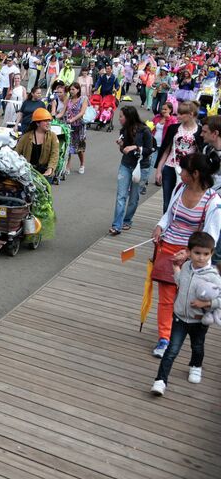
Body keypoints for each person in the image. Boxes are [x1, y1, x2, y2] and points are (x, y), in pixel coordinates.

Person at [151, 153, 221, 358]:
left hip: (193, 256)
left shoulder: (213, 201)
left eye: (183, 170)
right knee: (166, 297)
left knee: (186, 298)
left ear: (196, 174)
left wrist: (190, 254)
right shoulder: (180, 188)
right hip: (169, 249)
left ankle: (188, 336)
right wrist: (159, 226)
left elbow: (210, 238)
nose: (179, 173)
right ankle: (165, 337)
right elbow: (169, 214)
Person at [150, 231, 221, 396]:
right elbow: (181, 283)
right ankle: (160, 381)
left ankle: (196, 366)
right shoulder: (187, 267)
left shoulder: (213, 277)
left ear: (211, 253)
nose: (201, 258)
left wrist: (207, 303)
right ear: (189, 252)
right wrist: (176, 270)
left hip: (199, 320)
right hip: (180, 317)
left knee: (197, 346)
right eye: (197, 253)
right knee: (172, 350)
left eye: (205, 254)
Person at [109, 106, 152, 235]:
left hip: (140, 166)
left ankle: (127, 220)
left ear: (128, 117)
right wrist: (122, 146)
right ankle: (117, 225)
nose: (119, 119)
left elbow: (149, 149)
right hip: (126, 164)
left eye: (121, 116)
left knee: (133, 197)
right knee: (121, 196)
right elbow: (124, 151)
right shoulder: (123, 130)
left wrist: (135, 147)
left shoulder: (144, 130)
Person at [155, 101, 203, 212]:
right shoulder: (173, 128)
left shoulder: (200, 131)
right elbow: (166, 150)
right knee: (167, 201)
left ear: (191, 114)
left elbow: (199, 153)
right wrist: (158, 170)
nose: (179, 116)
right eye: (178, 113)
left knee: (183, 200)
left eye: (182, 114)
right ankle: (165, 226)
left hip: (188, 171)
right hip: (170, 167)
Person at [16, 108, 60, 180]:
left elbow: (54, 154)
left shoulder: (53, 136)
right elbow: (16, 153)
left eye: (49, 120)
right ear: (37, 123)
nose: (48, 123)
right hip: (28, 172)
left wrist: (50, 169)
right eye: (45, 121)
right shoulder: (26, 137)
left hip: (45, 173)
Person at [64, 82, 90, 175]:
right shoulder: (68, 99)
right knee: (68, 147)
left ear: (78, 90)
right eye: (70, 89)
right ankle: (67, 166)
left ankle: (82, 164)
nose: (71, 91)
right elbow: (63, 111)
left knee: (79, 148)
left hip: (80, 126)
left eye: (73, 89)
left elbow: (82, 112)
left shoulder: (83, 99)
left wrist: (73, 119)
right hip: (70, 126)